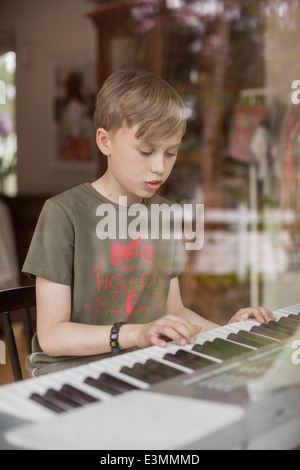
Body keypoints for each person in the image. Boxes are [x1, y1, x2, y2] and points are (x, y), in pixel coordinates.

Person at [23, 70, 275, 377]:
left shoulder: (164, 214)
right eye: (146, 151)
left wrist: (228, 331)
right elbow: (51, 336)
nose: (159, 167)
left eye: (171, 153)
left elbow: (173, 310)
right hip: (74, 376)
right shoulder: (63, 213)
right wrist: (135, 334)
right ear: (106, 142)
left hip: (145, 365)